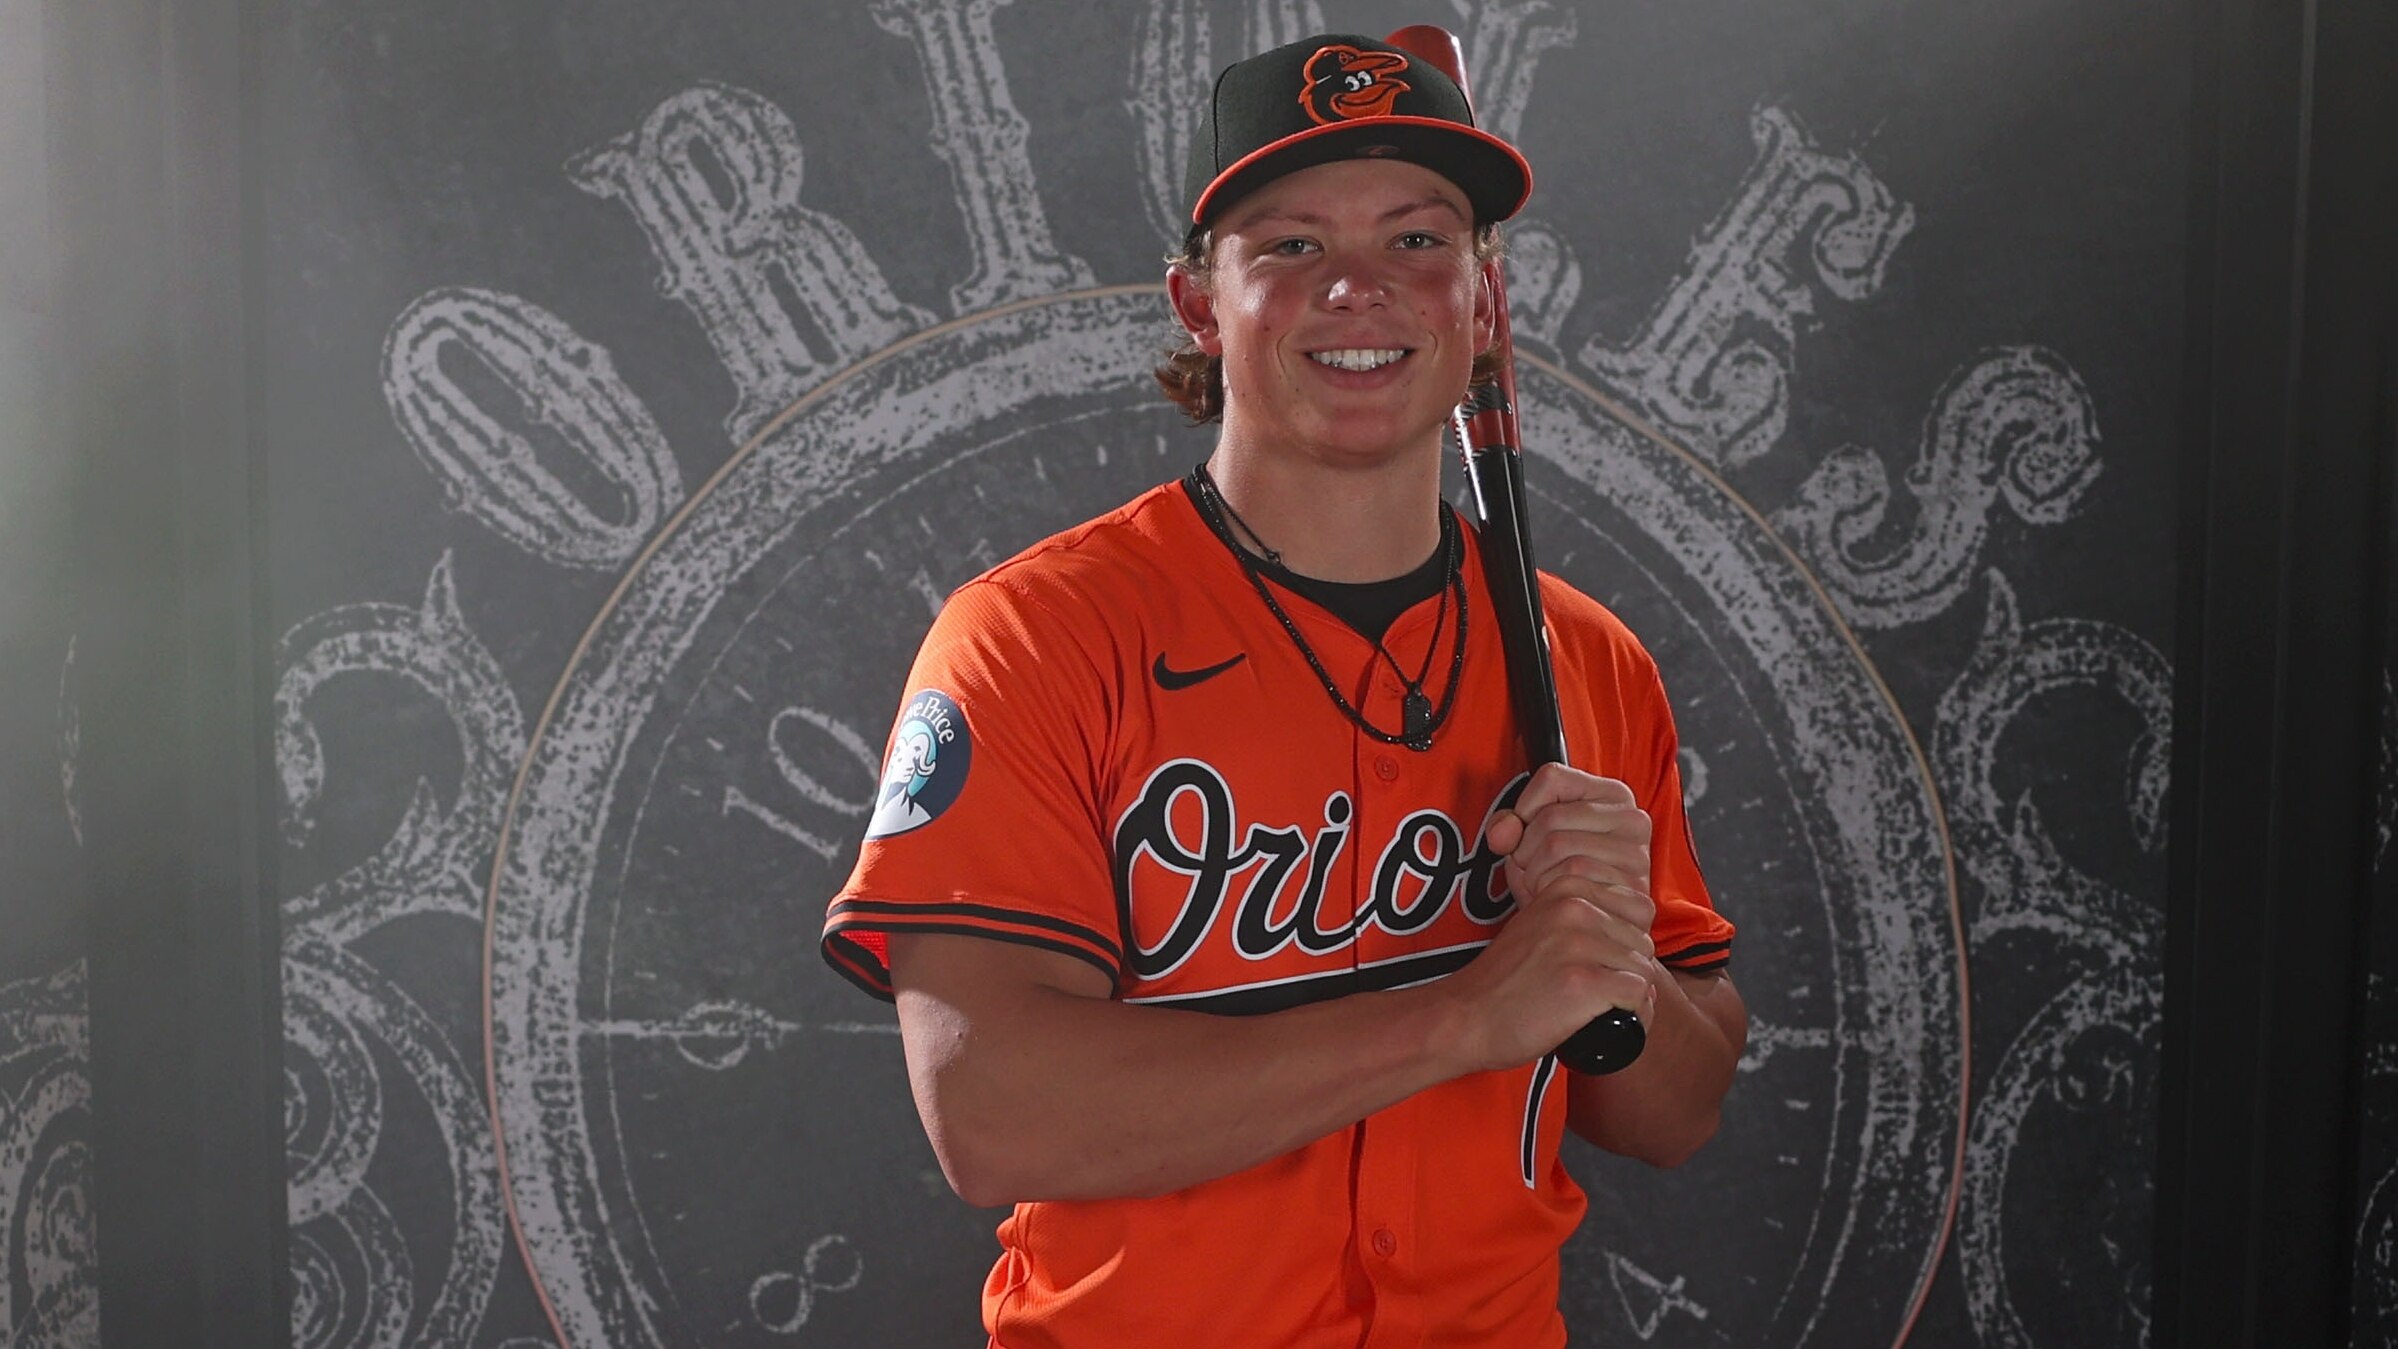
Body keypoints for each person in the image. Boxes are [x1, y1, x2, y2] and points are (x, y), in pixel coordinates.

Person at [822, 31, 1746, 1347]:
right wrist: (1465, 1015)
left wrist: (1611, 955)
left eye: (1418, 240)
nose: (1358, 288)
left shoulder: (1585, 658)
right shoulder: (1035, 638)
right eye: (1292, 245)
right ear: (1200, 304)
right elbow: (991, 1112)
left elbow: (1673, 1115)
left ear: (1484, 300)